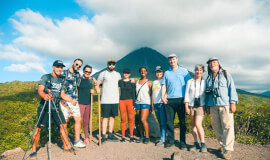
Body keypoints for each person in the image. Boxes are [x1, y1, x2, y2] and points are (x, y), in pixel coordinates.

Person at [29, 60, 77, 159]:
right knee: (38, 129)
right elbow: (40, 91)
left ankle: (67, 147)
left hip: (56, 107)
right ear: (53, 67)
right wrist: (44, 96)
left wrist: (71, 100)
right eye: (57, 67)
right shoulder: (46, 77)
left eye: (61, 67)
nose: (60, 69)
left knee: (63, 125)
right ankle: (33, 151)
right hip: (45, 107)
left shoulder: (61, 80)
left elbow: (62, 95)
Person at [205, 57, 238, 160]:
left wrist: (233, 102)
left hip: (225, 104)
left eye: (214, 62)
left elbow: (231, 87)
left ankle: (227, 149)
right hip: (213, 105)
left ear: (218, 63)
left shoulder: (225, 74)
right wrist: (207, 106)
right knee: (216, 126)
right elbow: (207, 93)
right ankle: (222, 146)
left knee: (227, 126)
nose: (212, 64)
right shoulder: (208, 77)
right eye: (210, 63)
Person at [161, 53, 191, 149]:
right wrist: (163, 96)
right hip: (169, 100)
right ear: (169, 61)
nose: (172, 61)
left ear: (177, 59)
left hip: (181, 99)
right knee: (169, 122)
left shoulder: (184, 71)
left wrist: (188, 99)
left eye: (173, 59)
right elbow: (164, 85)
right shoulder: (166, 73)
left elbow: (190, 84)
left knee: (182, 122)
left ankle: (182, 142)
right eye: (170, 60)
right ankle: (170, 141)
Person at [60, 58, 86, 148]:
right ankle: (65, 142)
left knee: (78, 120)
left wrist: (93, 79)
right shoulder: (64, 73)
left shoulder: (78, 74)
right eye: (77, 64)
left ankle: (77, 141)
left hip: (74, 101)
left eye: (79, 66)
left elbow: (83, 79)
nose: (78, 66)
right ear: (73, 63)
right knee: (65, 122)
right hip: (64, 100)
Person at [95, 59, 122, 144]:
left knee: (112, 117)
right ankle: (103, 136)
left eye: (113, 64)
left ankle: (110, 135)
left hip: (115, 99)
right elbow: (97, 84)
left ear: (115, 65)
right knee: (105, 117)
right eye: (110, 64)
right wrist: (97, 89)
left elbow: (121, 84)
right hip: (105, 99)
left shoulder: (118, 75)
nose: (111, 65)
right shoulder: (103, 74)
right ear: (107, 65)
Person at [184, 64, 207, 152]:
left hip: (201, 106)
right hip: (191, 105)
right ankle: (196, 142)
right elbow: (186, 94)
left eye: (201, 70)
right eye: (197, 70)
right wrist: (186, 106)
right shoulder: (190, 82)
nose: (198, 71)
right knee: (193, 125)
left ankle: (203, 143)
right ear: (195, 71)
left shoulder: (205, 82)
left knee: (198, 124)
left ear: (203, 72)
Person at [78, 65, 96, 144]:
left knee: (86, 121)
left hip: (88, 103)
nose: (87, 73)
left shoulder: (90, 81)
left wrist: (92, 92)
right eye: (86, 71)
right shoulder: (78, 79)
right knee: (79, 121)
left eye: (89, 72)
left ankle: (86, 137)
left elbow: (91, 89)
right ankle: (77, 138)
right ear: (83, 71)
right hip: (80, 103)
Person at [135, 67, 152, 144]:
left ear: (146, 72)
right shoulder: (136, 82)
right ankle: (141, 136)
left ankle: (147, 137)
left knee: (143, 120)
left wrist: (152, 105)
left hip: (146, 102)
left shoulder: (149, 82)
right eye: (141, 71)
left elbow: (152, 95)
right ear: (139, 72)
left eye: (144, 71)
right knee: (139, 121)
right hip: (138, 102)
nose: (143, 72)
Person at [118, 68, 136, 143]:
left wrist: (134, 104)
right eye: (125, 73)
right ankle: (123, 136)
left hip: (130, 101)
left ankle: (131, 136)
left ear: (129, 74)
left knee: (131, 119)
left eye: (127, 73)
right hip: (122, 101)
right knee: (123, 119)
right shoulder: (120, 81)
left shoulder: (132, 82)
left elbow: (134, 93)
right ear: (123, 73)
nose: (126, 74)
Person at [152, 66, 167, 146]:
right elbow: (152, 94)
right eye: (157, 72)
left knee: (163, 121)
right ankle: (163, 137)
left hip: (161, 103)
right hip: (155, 103)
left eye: (160, 72)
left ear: (162, 72)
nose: (158, 73)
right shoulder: (154, 82)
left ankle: (162, 139)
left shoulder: (164, 81)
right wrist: (152, 104)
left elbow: (166, 91)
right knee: (160, 122)